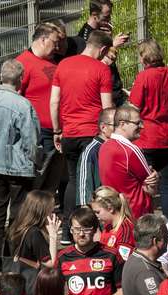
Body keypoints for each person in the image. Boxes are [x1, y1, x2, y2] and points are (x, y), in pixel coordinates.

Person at [50, 30, 114, 226]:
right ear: (103, 49)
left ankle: (70, 230)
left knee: (73, 180)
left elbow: (54, 101)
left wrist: (57, 130)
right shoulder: (101, 69)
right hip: (92, 134)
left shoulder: (63, 65)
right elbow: (107, 107)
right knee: (95, 180)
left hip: (69, 133)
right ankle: (94, 226)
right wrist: (110, 134)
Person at [0, 59, 40, 272]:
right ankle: (12, 254)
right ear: (21, 80)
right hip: (18, 166)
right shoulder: (23, 105)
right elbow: (30, 139)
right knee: (17, 212)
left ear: (0, 77)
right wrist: (35, 160)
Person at [129, 39, 168, 219]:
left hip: (148, 135)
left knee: (145, 181)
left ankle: (145, 218)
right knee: (166, 183)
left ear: (144, 57)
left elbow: (134, 105)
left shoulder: (144, 77)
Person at [16, 23, 61, 175]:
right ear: (43, 40)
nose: (57, 47)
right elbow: (16, 98)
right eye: (55, 42)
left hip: (57, 129)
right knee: (42, 176)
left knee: (56, 176)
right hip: (39, 132)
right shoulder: (23, 63)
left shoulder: (53, 61)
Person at [98, 105, 157, 220]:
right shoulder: (130, 150)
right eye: (137, 123)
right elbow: (151, 188)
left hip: (115, 215)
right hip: (137, 215)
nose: (142, 126)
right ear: (122, 124)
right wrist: (155, 177)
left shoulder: (104, 147)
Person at [6, 191, 62, 281]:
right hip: (31, 282)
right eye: (51, 211)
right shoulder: (34, 233)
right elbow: (51, 264)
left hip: (18, 278)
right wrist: (53, 235)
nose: (53, 214)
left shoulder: (19, 227)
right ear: (42, 213)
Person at [74, 108, 116, 209]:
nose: (120, 129)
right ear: (103, 127)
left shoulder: (117, 147)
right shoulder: (91, 151)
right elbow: (84, 187)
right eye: (115, 125)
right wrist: (87, 212)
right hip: (101, 209)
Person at [92, 186, 135, 262]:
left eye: (98, 212)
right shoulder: (108, 226)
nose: (96, 216)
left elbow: (122, 262)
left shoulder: (125, 230)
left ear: (110, 208)